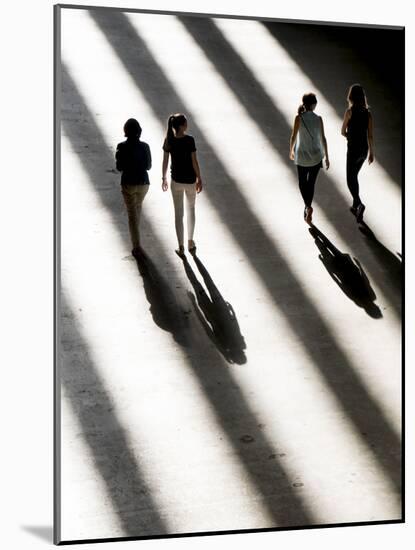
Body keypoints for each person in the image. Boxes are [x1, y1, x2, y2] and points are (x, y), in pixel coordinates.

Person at [162, 113, 203, 256]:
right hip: (190, 181)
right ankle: (190, 242)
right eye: (186, 123)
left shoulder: (169, 140)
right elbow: (194, 161)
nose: (187, 124)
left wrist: (164, 178)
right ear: (181, 126)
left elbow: (165, 161)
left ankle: (181, 247)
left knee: (178, 214)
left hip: (176, 182)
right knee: (191, 210)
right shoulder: (190, 140)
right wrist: (199, 177)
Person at [290, 93, 330, 225]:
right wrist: (327, 156)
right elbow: (323, 138)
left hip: (302, 155)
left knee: (302, 183)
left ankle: (308, 207)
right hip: (316, 156)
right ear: (314, 105)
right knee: (311, 183)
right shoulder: (319, 119)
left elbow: (293, 137)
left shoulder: (298, 118)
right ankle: (308, 207)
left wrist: (291, 150)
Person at [115, 118, 151, 257]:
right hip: (143, 183)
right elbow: (148, 166)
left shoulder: (121, 146)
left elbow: (119, 167)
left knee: (132, 214)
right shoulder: (145, 146)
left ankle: (137, 247)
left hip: (128, 183)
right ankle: (137, 238)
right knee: (137, 208)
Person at [341, 83, 374, 223]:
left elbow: (342, 131)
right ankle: (355, 205)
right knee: (354, 176)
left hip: (353, 150)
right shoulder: (368, 114)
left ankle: (359, 204)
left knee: (350, 178)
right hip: (364, 150)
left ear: (351, 97)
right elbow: (370, 135)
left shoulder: (349, 112)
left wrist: (349, 135)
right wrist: (372, 153)